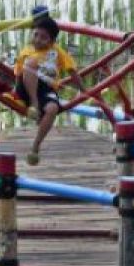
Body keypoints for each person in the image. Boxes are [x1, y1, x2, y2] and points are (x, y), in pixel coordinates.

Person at [14, 14, 84, 166]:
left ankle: (36, 145)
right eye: (36, 35)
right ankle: (34, 104)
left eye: (43, 37)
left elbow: (72, 71)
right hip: (27, 87)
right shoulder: (27, 51)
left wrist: (83, 90)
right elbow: (18, 74)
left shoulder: (57, 52)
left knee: (52, 108)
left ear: (52, 41)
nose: (38, 39)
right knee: (31, 63)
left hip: (46, 89)